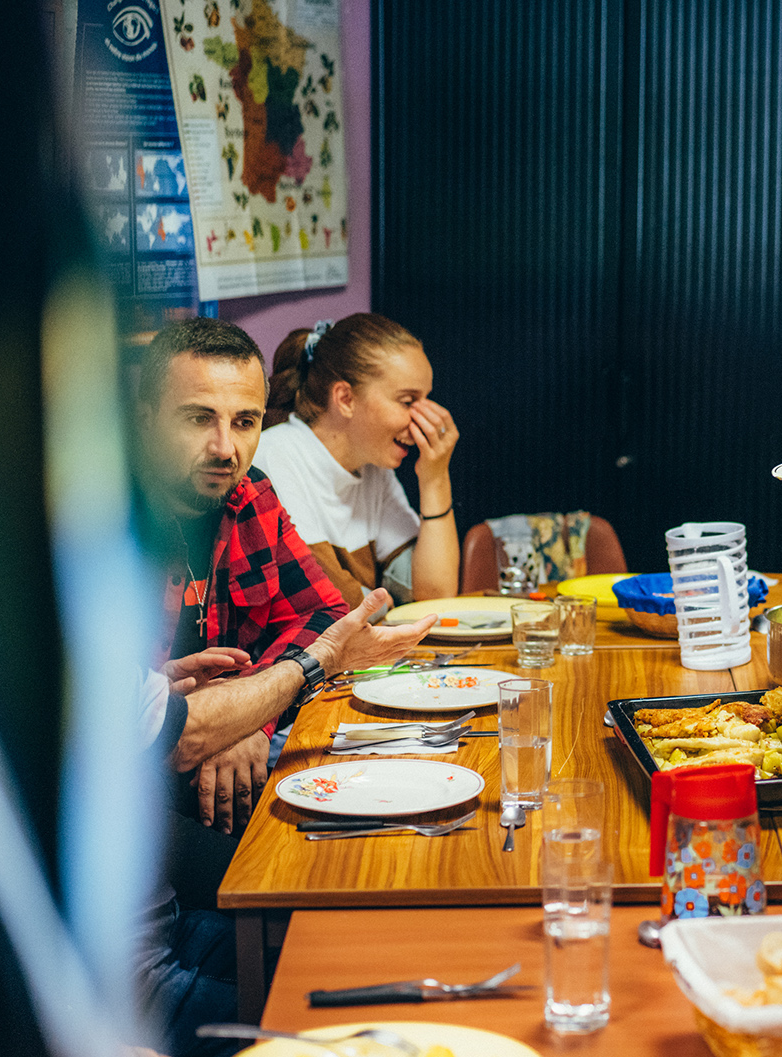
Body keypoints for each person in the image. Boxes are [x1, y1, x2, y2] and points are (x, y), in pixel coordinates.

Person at [137, 590, 433, 1055]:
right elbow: (185, 734)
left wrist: (159, 686)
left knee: (382, 965)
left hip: (168, 920)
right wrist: (319, 659)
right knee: (375, 1024)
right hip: (120, 976)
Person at [134, 317, 347, 904]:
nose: (226, 448)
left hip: (226, 764)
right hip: (132, 796)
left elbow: (324, 613)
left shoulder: (252, 495)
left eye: (245, 421)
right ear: (147, 419)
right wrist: (224, 721)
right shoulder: (106, 525)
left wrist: (250, 713)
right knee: (298, 892)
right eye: (199, 418)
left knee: (355, 851)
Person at [258, 313, 461, 608]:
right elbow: (333, 606)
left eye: (426, 400)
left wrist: (435, 479)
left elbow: (435, 595)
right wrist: (386, 604)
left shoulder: (372, 467)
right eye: (407, 402)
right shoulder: (275, 456)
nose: (425, 417)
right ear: (345, 399)